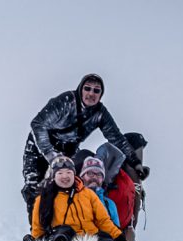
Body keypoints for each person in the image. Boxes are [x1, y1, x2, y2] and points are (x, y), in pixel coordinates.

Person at [21, 73, 149, 221]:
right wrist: (51, 155)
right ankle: (37, 234)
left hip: (67, 151)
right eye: (87, 88)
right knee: (34, 188)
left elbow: (117, 139)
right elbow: (38, 124)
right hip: (39, 148)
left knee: (66, 186)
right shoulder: (66, 102)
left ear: (101, 95)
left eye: (96, 90)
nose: (91, 93)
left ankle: (63, 229)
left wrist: (135, 163)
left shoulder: (100, 113)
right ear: (81, 89)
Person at [30, 155, 148, 241]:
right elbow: (38, 228)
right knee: (63, 232)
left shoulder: (87, 195)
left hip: (89, 240)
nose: (65, 176)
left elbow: (104, 221)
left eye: (69, 173)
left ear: (74, 174)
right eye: (60, 173)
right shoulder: (44, 199)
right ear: (54, 176)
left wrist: (120, 239)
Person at [79, 156, 120, 227]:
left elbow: (116, 232)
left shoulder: (109, 204)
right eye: (90, 173)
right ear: (82, 177)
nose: (95, 177)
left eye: (99, 174)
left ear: (102, 179)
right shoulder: (73, 199)